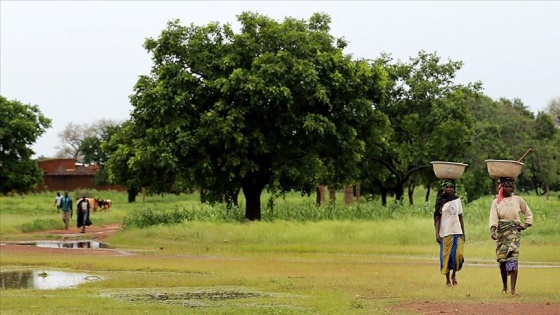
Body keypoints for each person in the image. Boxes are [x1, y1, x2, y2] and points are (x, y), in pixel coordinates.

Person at [489, 177, 533, 296]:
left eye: (510, 186)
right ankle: (505, 287)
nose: (508, 188)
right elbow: (493, 218)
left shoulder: (518, 200)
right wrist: (493, 231)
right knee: (502, 261)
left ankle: (513, 289)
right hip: (501, 234)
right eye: (505, 186)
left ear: (512, 187)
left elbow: (528, 213)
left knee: (513, 259)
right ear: (501, 188)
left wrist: (525, 225)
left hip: (514, 232)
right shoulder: (496, 202)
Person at [434, 179, 465, 287]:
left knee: (457, 255)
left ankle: (454, 275)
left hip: (457, 231)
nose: (449, 189)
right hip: (445, 233)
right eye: (447, 187)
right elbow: (437, 218)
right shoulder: (440, 200)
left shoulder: (457, 200)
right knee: (446, 257)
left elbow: (460, 216)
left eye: (451, 187)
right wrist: (437, 233)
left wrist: (463, 233)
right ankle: (447, 279)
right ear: (443, 188)